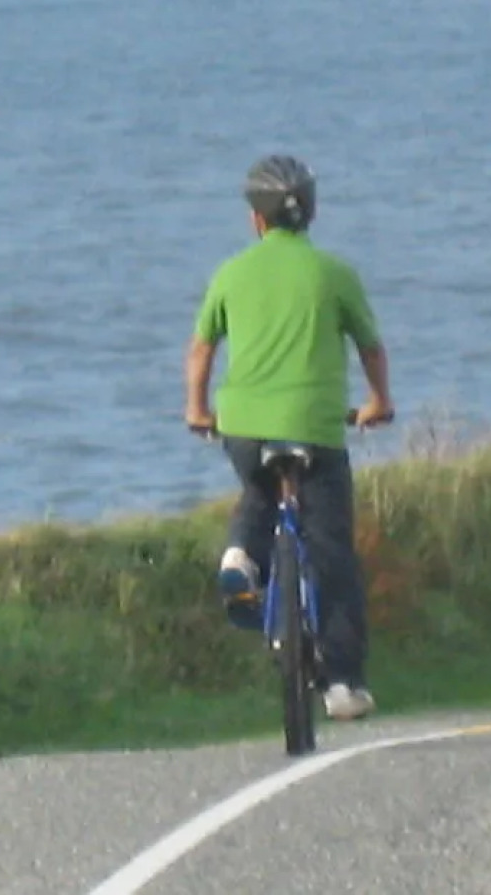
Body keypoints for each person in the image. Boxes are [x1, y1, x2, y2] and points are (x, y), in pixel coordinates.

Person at [184, 156, 393, 722]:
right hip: (317, 428)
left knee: (259, 487)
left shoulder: (231, 273)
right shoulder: (334, 273)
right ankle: (344, 684)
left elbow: (202, 349)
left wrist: (198, 408)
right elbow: (371, 348)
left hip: (245, 425)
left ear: (257, 219)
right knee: (332, 553)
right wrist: (378, 402)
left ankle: (241, 555)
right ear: (311, 213)